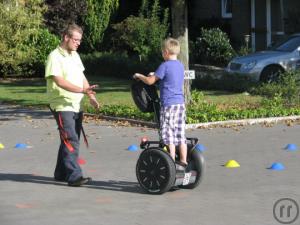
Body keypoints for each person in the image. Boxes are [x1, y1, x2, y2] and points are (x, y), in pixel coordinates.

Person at [45, 23, 100, 186]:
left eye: (79, 40)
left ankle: (61, 173)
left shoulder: (74, 55)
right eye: (75, 40)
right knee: (71, 139)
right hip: (61, 104)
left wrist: (89, 94)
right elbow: (59, 81)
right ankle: (74, 176)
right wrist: (81, 91)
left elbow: (81, 76)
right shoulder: (54, 56)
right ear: (66, 37)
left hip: (76, 104)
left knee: (68, 139)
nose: (78, 43)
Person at [134, 37, 188, 168]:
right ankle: (183, 160)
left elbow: (150, 81)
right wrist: (156, 74)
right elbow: (169, 77)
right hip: (180, 104)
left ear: (166, 52)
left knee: (168, 133)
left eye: (162, 52)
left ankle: (171, 163)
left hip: (168, 105)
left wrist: (139, 75)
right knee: (180, 133)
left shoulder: (164, 65)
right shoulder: (180, 66)